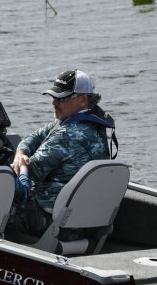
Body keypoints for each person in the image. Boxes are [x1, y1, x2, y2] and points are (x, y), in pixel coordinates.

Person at [8, 69, 118, 242]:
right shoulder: (93, 125)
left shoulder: (68, 135)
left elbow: (31, 171)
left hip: (52, 221)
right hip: (87, 224)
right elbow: (34, 137)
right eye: (53, 97)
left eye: (62, 98)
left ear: (82, 100)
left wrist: (16, 165)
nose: (54, 103)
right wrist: (20, 153)